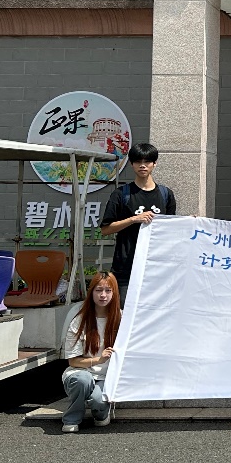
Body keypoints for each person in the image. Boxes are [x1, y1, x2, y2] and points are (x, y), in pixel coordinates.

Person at [100, 142, 177, 306]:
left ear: (154, 164)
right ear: (131, 164)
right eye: (138, 161)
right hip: (125, 268)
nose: (143, 165)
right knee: (124, 312)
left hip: (156, 268)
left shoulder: (166, 195)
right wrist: (133, 219)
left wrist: (190, 222)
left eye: (147, 161)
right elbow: (105, 229)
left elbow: (172, 230)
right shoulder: (121, 194)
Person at [61, 272, 122, 433]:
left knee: (98, 403)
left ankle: (101, 412)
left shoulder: (121, 319)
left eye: (108, 290)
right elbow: (73, 361)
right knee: (83, 380)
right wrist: (98, 360)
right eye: (98, 290)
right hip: (80, 372)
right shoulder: (79, 320)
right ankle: (72, 419)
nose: (103, 295)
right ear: (91, 292)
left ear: (114, 293)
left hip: (105, 377)